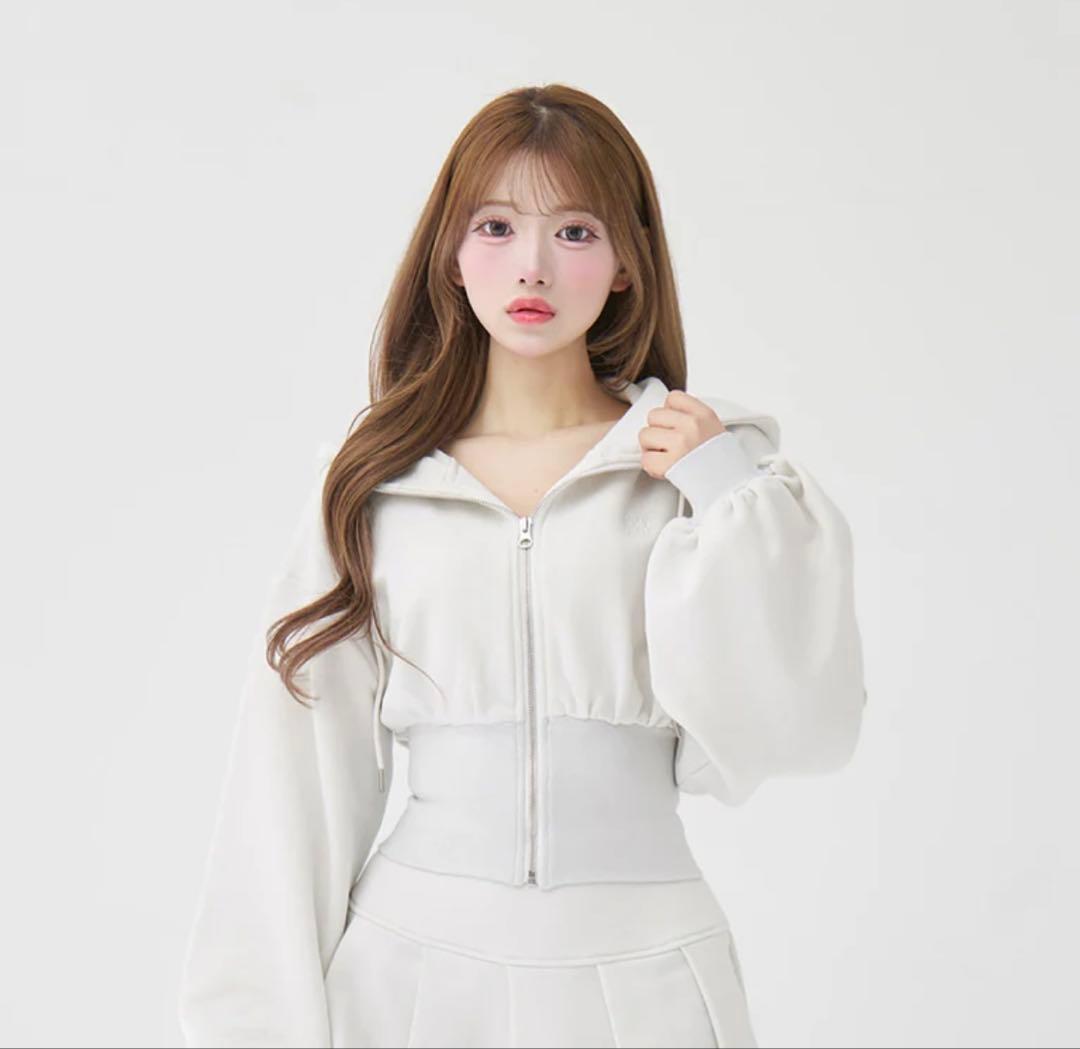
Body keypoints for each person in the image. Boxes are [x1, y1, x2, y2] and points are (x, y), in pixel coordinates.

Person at [177, 83, 867, 1048]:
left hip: (650, 975)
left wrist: (726, 493)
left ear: (626, 263)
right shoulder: (378, 485)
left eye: (575, 231)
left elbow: (805, 726)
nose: (532, 265)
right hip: (409, 980)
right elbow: (287, 790)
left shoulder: (705, 472)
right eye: (496, 227)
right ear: (452, 255)